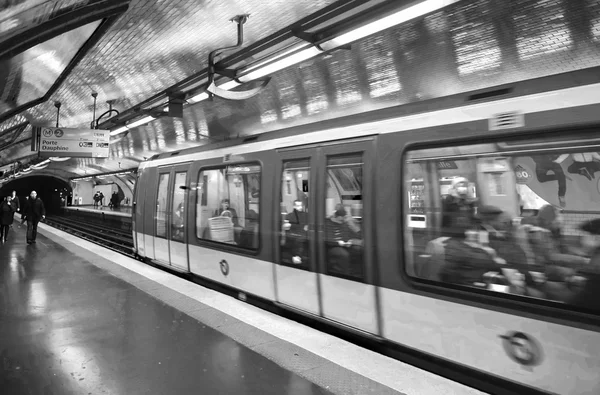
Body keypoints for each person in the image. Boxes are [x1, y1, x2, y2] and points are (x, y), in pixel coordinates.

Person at [283, 200, 309, 264]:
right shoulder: (289, 216)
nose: (300, 207)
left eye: (300, 205)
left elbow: (308, 226)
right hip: (293, 237)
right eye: (298, 206)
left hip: (303, 237)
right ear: (294, 206)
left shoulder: (307, 215)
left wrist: (291, 225)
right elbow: (285, 227)